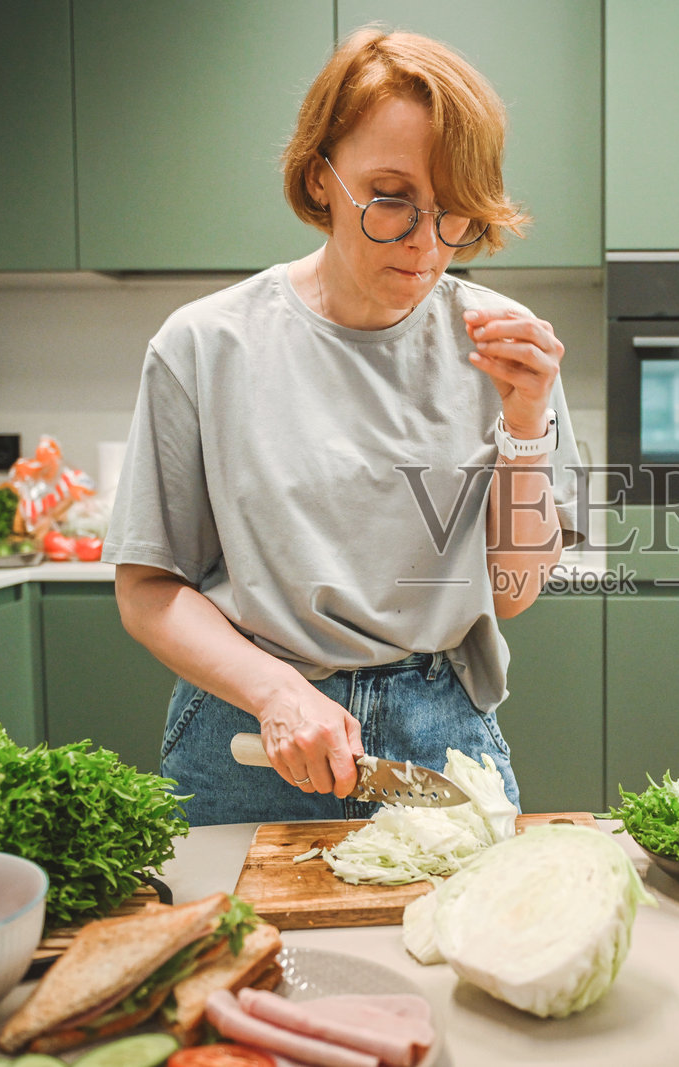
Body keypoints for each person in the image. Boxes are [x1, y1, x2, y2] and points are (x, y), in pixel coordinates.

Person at [103, 27, 584, 827]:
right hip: (249, 729)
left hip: (440, 731)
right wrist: (276, 690)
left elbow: (514, 591)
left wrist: (527, 426)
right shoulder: (204, 345)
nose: (426, 244)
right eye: (391, 198)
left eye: (454, 212)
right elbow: (147, 591)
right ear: (319, 177)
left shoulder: (507, 350)